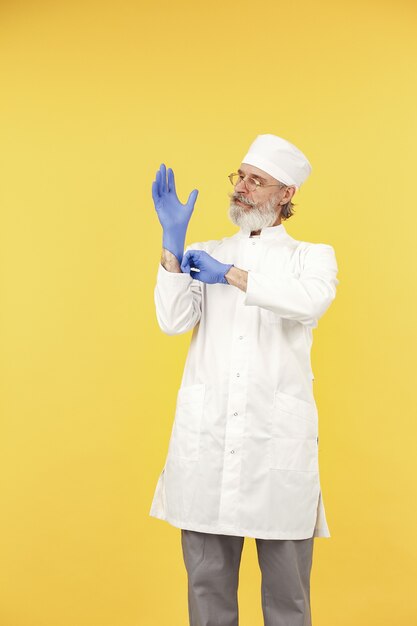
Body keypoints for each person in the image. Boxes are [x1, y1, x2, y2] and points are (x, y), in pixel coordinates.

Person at [149, 134, 339, 626]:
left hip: (274, 450)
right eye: (241, 178)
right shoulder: (204, 250)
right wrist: (172, 246)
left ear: (286, 194)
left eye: (259, 181)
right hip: (208, 443)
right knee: (207, 592)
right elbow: (172, 321)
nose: (244, 188)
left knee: (288, 598)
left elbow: (309, 302)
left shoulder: (311, 257)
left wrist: (231, 275)